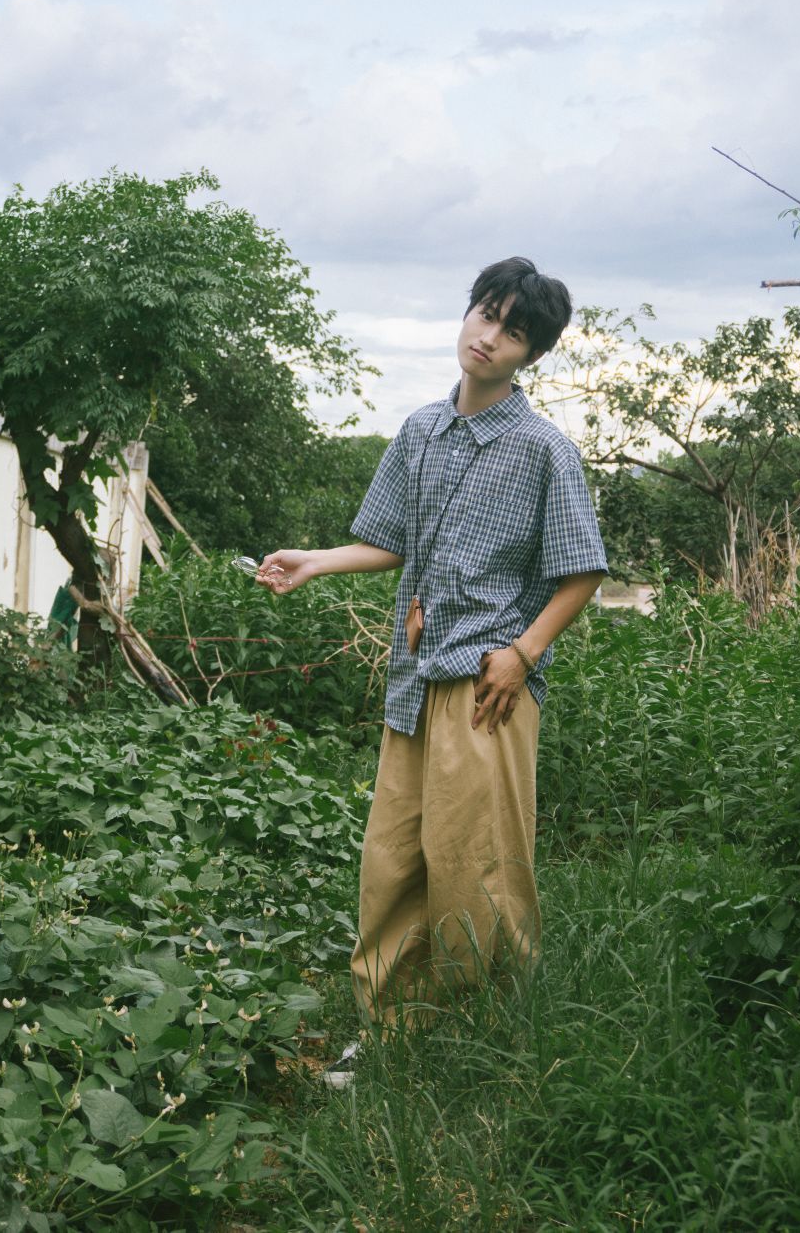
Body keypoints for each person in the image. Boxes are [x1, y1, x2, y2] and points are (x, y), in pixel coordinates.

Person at [256, 256, 607, 1078]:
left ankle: (490, 1041)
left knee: (477, 869)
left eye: (512, 331)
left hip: (486, 689)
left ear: (531, 353)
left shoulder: (544, 451)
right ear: (468, 313)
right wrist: (315, 561)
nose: (489, 337)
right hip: (413, 682)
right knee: (394, 862)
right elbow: (389, 541)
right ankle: (391, 1037)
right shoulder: (420, 430)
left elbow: (582, 571)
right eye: (485, 314)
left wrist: (522, 655)